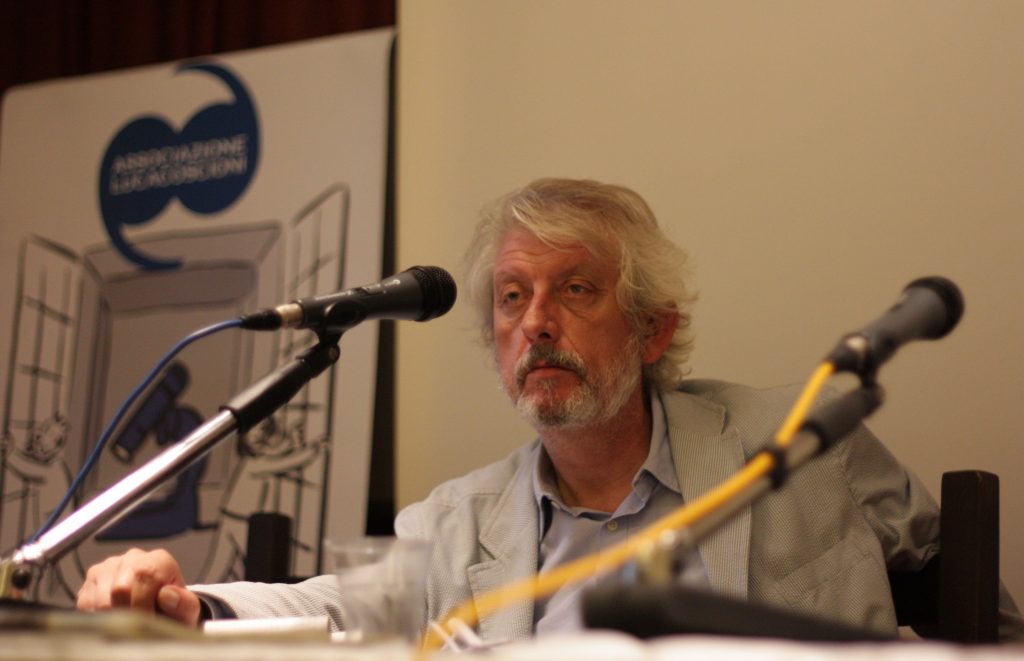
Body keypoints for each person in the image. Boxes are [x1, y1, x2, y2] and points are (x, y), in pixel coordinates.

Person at [77, 178, 1023, 641]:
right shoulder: (455, 520)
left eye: (574, 289)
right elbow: (335, 607)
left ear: (651, 329)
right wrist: (190, 603)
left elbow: (985, 610)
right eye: (512, 296)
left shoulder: (806, 441)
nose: (535, 322)